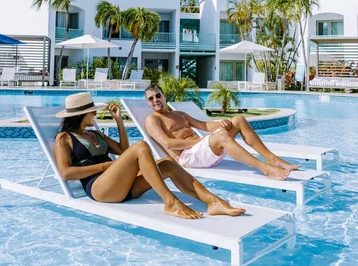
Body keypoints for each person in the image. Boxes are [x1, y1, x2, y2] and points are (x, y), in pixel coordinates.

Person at [54, 92, 246, 220]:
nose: (95, 114)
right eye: (92, 111)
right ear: (83, 114)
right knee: (141, 147)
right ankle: (170, 202)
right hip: (100, 188)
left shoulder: (95, 134)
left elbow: (122, 150)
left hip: (123, 185)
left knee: (169, 164)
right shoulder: (64, 138)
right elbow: (65, 173)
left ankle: (213, 202)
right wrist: (105, 167)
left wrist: (119, 120)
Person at [144, 85, 300, 180]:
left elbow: (204, 125)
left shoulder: (179, 114)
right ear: (148, 104)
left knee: (238, 119)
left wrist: (221, 123)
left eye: (158, 96)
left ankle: (271, 159)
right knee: (221, 136)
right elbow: (168, 144)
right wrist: (199, 141)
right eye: (151, 99)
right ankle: (265, 168)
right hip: (188, 157)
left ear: (164, 96)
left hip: (203, 149)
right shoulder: (152, 120)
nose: (155, 100)